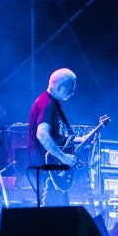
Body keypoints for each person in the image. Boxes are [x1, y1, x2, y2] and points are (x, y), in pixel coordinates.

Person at [27, 68, 79, 207]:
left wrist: (82, 139)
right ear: (58, 86)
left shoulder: (51, 103)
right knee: (54, 216)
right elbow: (42, 134)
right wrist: (63, 157)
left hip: (49, 170)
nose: (72, 92)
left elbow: (56, 137)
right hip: (46, 170)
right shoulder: (47, 104)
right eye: (70, 88)